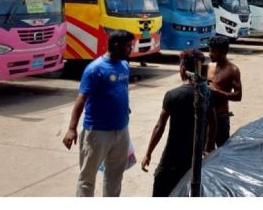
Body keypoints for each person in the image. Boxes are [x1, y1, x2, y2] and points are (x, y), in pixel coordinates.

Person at [62, 30, 135, 197]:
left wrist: (124, 107)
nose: (131, 49)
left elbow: (121, 89)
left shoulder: (124, 65)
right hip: (97, 133)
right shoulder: (94, 69)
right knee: (87, 179)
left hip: (121, 131)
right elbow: (81, 100)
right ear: (116, 46)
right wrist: (71, 129)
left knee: (115, 176)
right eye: (128, 46)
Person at [140, 49, 217, 197]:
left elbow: (160, 125)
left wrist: (148, 153)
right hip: (195, 157)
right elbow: (213, 123)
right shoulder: (207, 93)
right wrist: (207, 149)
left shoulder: (173, 95)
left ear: (182, 68)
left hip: (172, 157)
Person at [208, 35, 242, 149]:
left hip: (221, 118)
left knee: (222, 151)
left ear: (223, 51)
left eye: (213, 51)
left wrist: (218, 93)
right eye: (209, 50)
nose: (209, 54)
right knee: (205, 151)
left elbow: (238, 96)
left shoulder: (233, 70)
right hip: (206, 117)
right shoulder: (208, 66)